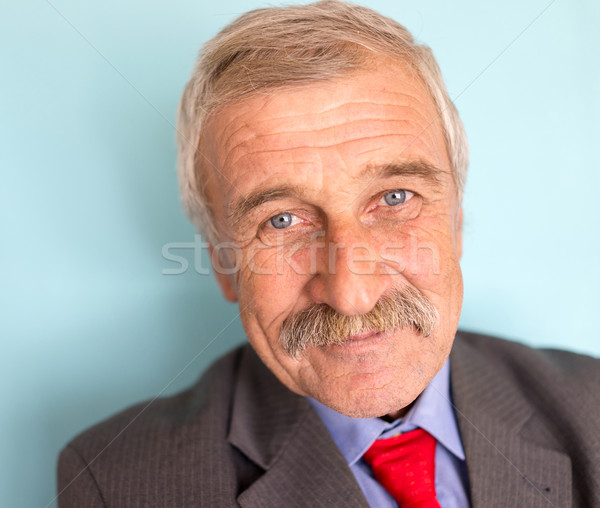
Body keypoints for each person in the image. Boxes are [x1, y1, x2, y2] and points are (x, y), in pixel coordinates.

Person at [56, 1, 600, 506]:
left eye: (394, 198)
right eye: (282, 220)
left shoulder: (591, 408)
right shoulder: (118, 480)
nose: (352, 295)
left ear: (455, 222)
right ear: (223, 262)